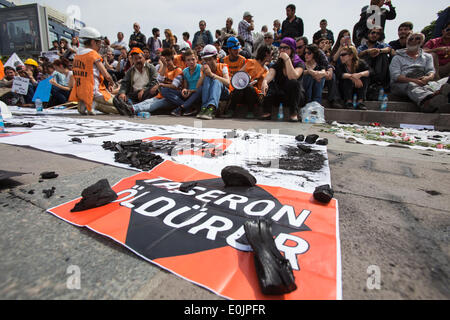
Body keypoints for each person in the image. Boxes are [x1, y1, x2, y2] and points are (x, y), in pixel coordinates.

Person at [390, 33, 449, 113]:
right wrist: (415, 81)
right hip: (402, 84)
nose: (413, 41)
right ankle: (427, 101)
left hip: (423, 82)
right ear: (407, 42)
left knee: (445, 80)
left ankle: (437, 95)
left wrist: (428, 78)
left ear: (422, 42)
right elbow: (395, 76)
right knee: (412, 85)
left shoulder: (427, 57)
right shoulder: (397, 57)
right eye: (411, 39)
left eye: (417, 38)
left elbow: (431, 71)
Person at [69, 26, 118, 115]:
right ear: (92, 41)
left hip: (81, 91)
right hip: (94, 91)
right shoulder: (92, 54)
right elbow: (106, 74)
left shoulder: (77, 55)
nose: (100, 46)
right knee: (118, 105)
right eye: (98, 43)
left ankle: (87, 104)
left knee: (110, 106)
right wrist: (112, 83)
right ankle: (93, 104)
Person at [121, 48, 183, 116]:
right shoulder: (165, 69)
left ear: (172, 60)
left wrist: (161, 85)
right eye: (165, 61)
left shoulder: (178, 70)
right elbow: (159, 80)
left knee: (155, 104)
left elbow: (174, 86)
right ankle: (130, 108)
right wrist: (164, 66)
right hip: (160, 95)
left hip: (171, 97)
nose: (167, 63)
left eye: (168, 60)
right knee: (147, 102)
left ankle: (133, 109)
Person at [260, 37, 305, 122]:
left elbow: (293, 76)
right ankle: (267, 113)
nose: (282, 50)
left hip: (296, 97)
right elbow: (271, 74)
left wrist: (287, 59)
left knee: (293, 83)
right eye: (281, 47)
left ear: (292, 49)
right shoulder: (277, 64)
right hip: (281, 95)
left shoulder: (299, 63)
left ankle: (293, 114)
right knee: (270, 84)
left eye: (286, 48)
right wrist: (265, 81)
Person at [226, 45, 272, 118]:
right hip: (241, 91)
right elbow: (239, 75)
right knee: (240, 89)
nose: (271, 57)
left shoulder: (266, 70)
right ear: (266, 54)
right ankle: (230, 110)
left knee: (249, 88)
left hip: (253, 95)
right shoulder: (250, 62)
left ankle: (250, 111)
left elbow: (261, 88)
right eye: (271, 55)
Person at [114, 47, 158, 112]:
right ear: (132, 60)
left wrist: (144, 89)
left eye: (140, 58)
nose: (138, 61)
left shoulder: (151, 68)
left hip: (146, 93)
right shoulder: (130, 71)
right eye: (135, 59)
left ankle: (132, 107)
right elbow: (125, 83)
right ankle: (131, 107)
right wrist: (122, 93)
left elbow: (154, 81)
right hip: (134, 94)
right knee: (117, 98)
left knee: (153, 91)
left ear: (144, 58)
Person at [161, 49, 202, 117]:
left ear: (197, 59)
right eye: (188, 60)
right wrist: (185, 90)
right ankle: (189, 107)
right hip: (188, 94)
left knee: (200, 89)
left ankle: (182, 107)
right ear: (185, 61)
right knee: (164, 90)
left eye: (193, 59)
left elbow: (201, 86)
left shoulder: (201, 68)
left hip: (197, 93)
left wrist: (190, 91)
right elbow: (185, 86)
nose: (191, 62)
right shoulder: (185, 71)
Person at [196, 45, 231, 120]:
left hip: (224, 93)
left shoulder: (223, 66)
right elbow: (198, 87)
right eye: (206, 60)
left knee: (216, 81)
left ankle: (211, 108)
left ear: (216, 59)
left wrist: (212, 75)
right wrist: (204, 75)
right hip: (210, 93)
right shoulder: (204, 69)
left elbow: (227, 83)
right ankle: (204, 107)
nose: (208, 62)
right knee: (207, 79)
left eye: (210, 59)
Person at [358, 27, 394, 92]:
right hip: (366, 68)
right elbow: (357, 55)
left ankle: (379, 81)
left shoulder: (381, 45)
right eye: (373, 33)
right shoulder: (362, 47)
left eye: (377, 34)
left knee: (383, 55)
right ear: (368, 35)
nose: (375, 35)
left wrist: (378, 51)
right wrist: (367, 52)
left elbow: (389, 49)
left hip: (379, 69)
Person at [336, 45, 371, 110]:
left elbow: (370, 72)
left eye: (343, 55)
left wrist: (360, 74)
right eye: (340, 55)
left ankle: (360, 102)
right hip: (345, 89)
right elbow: (339, 74)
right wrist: (352, 77)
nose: (341, 57)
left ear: (351, 55)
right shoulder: (341, 65)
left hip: (358, 88)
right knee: (347, 78)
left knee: (364, 78)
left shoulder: (361, 63)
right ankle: (348, 102)